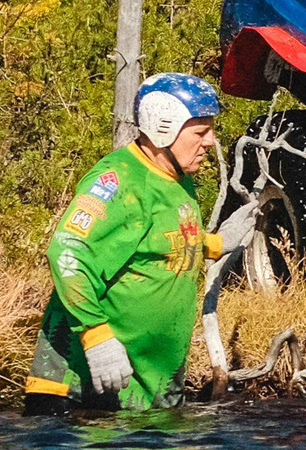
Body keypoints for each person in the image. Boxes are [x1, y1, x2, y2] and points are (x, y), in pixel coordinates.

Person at [24, 74, 256, 415]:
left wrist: (218, 243)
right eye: (200, 131)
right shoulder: (118, 182)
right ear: (163, 128)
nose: (211, 141)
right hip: (85, 390)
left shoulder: (177, 178)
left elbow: (155, 238)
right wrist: (96, 336)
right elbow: (68, 251)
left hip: (148, 391)